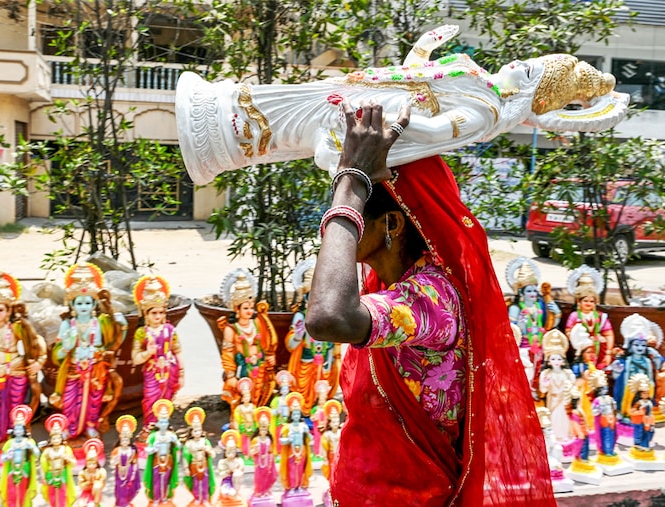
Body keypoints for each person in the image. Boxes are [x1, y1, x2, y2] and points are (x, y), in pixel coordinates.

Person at [304, 101, 555, 505]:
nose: (335, 218)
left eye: (351, 211)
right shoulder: (383, 285)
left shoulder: (430, 298)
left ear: (393, 224)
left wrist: (350, 181)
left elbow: (327, 317)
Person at [179, 26, 628, 187]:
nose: (518, 64)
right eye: (527, 61)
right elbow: (416, 75)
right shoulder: (477, 79)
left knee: (298, 121)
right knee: (300, 96)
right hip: (367, 93)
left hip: (368, 112)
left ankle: (220, 137)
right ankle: (217, 110)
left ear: (534, 96)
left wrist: (384, 122)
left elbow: (433, 133)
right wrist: (423, 49)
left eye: (529, 72)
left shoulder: (483, 113)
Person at [50, 262, 128, 438]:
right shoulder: (66, 325)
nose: (83, 306)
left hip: (95, 369)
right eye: (79, 303)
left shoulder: (100, 322)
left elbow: (116, 339)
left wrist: (120, 324)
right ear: (72, 305)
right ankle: (70, 427)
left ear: (94, 305)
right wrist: (67, 347)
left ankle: (91, 425)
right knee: (70, 400)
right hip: (73, 369)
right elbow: (57, 354)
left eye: (87, 302)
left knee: (94, 399)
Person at [0, 271, 47, 441]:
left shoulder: (16, 328)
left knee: (16, 408)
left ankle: (17, 438)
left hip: (15, 374)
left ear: (8, 311)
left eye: (1, 309)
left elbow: (37, 343)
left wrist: (39, 362)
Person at [285, 258, 341, 413]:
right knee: (303, 401)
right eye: (311, 296)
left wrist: (329, 366)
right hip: (305, 366)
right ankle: (303, 414)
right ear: (305, 298)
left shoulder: (327, 317)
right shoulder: (300, 318)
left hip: (323, 366)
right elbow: (290, 346)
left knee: (322, 398)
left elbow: (331, 348)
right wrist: (298, 335)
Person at [219, 269, 278, 415]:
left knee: (260, 397)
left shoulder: (258, 323)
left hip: (260, 368)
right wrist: (231, 375)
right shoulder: (231, 330)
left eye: (251, 307)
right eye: (246, 308)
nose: (250, 311)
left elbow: (267, 341)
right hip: (243, 371)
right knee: (242, 400)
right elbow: (227, 355)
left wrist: (270, 355)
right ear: (236, 309)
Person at [131, 275, 185, 430]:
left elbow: (178, 351)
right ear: (146, 314)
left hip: (169, 372)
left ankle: (164, 427)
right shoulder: (142, 333)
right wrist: (147, 353)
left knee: (167, 401)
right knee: (150, 399)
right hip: (152, 373)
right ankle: (150, 428)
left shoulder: (170, 330)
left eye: (161, 313)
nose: (158, 316)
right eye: (153, 313)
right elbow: (135, 359)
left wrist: (181, 374)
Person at [507, 257, 561, 396]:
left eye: (534, 290)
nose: (533, 294)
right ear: (521, 293)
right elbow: (512, 331)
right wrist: (521, 324)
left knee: (540, 369)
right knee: (526, 371)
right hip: (524, 347)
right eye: (529, 291)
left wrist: (549, 299)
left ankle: (535, 391)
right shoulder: (516, 308)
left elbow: (556, 317)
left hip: (540, 344)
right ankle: (524, 392)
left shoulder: (540, 305)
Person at [611, 313, 662, 423]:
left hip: (645, 389)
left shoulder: (647, 361)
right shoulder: (625, 360)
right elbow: (616, 376)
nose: (640, 348)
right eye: (636, 345)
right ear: (630, 345)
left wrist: (656, 356)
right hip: (629, 390)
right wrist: (616, 370)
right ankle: (625, 413)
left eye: (643, 345)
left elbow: (658, 366)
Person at [564, 265, 615, 368]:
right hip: (581, 350)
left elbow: (609, 334)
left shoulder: (600, 316)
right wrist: (582, 340)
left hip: (599, 349)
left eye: (592, 301)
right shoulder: (574, 316)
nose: (589, 304)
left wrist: (608, 352)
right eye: (585, 301)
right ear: (579, 301)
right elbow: (569, 333)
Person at [537, 330, 575, 444]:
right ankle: (553, 436)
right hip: (552, 400)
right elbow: (542, 390)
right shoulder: (546, 373)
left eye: (559, 359)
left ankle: (564, 435)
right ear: (548, 361)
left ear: (563, 361)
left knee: (564, 419)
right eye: (553, 359)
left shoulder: (567, 373)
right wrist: (545, 383)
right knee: (553, 419)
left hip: (564, 400)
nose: (556, 362)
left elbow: (572, 387)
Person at [0, 405, 39, 507]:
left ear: (24, 429)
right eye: (16, 428)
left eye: (20, 429)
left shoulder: (29, 442)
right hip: (11, 471)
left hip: (24, 470)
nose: (18, 431)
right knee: (11, 495)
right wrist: (8, 456)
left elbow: (37, 455)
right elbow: (2, 459)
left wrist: (32, 447)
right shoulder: (9, 443)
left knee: (23, 495)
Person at [143, 399, 181, 506]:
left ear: (168, 421)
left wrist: (176, 442)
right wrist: (154, 448)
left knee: (165, 480)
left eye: (165, 421)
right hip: (157, 460)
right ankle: (156, 499)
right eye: (161, 421)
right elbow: (147, 450)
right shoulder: (153, 436)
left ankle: (164, 498)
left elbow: (179, 446)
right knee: (156, 480)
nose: (163, 424)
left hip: (168, 460)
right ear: (158, 422)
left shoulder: (171, 435)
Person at [278, 392, 312, 500]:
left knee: (301, 470)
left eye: (298, 414)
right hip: (291, 453)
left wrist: (308, 434)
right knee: (292, 470)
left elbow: (310, 439)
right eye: (294, 414)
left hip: (302, 452)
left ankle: (300, 486)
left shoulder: (303, 426)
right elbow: (281, 440)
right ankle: (292, 487)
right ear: (291, 415)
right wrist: (288, 439)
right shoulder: (287, 427)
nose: (296, 416)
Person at [39, 413, 76, 507]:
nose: (56, 440)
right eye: (54, 438)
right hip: (51, 475)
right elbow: (42, 464)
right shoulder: (47, 451)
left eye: (58, 438)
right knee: (52, 496)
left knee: (62, 495)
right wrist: (43, 476)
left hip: (62, 474)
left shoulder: (66, 449)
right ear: (50, 439)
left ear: (61, 438)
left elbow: (74, 463)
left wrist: (68, 459)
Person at [182, 407, 216, 507]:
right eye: (195, 431)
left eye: (199, 430)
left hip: (204, 465)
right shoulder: (189, 443)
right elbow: (185, 457)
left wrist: (208, 450)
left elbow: (212, 454)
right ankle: (197, 498)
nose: (197, 433)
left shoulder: (205, 441)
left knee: (205, 483)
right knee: (196, 483)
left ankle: (205, 498)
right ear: (191, 432)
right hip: (194, 466)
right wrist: (185, 468)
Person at [248, 407, 277, 506]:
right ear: (259, 428)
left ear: (267, 428)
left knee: (267, 477)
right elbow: (251, 452)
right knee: (259, 478)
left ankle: (266, 491)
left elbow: (271, 451)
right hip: (259, 463)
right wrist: (256, 450)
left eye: (265, 428)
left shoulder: (269, 439)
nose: (263, 430)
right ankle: (259, 492)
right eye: (262, 427)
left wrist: (270, 458)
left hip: (267, 463)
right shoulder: (256, 440)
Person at [110, 415, 140, 507]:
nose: (125, 441)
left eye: (127, 439)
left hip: (129, 472)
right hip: (119, 472)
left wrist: (134, 473)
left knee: (128, 488)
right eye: (123, 439)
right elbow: (112, 463)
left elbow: (135, 463)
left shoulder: (132, 450)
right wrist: (115, 460)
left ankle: (126, 503)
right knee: (119, 489)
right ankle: (120, 503)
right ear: (120, 437)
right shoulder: (117, 450)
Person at [215, 430, 246, 507]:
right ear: (225, 452)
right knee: (227, 493)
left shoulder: (239, 461)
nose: (231, 454)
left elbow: (241, 472)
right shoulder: (222, 462)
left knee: (237, 475)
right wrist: (228, 471)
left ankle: (236, 494)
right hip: (227, 483)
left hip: (236, 483)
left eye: (233, 451)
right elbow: (221, 475)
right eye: (229, 452)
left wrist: (236, 472)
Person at [230, 377, 256, 457]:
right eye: (245, 397)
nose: (247, 398)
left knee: (252, 440)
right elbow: (236, 419)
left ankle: (252, 453)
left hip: (251, 425)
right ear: (242, 398)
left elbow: (255, 417)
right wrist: (237, 427)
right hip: (243, 426)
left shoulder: (252, 407)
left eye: (248, 396)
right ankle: (245, 454)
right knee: (244, 440)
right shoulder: (239, 408)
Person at [77, 439, 106, 507]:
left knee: (92, 504)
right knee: (81, 504)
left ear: (97, 463)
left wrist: (95, 483)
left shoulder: (101, 472)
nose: (91, 466)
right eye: (89, 464)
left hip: (96, 493)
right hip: (86, 492)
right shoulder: (83, 473)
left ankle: (95, 503)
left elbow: (102, 484)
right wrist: (88, 483)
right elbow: (81, 486)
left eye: (93, 464)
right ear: (86, 463)